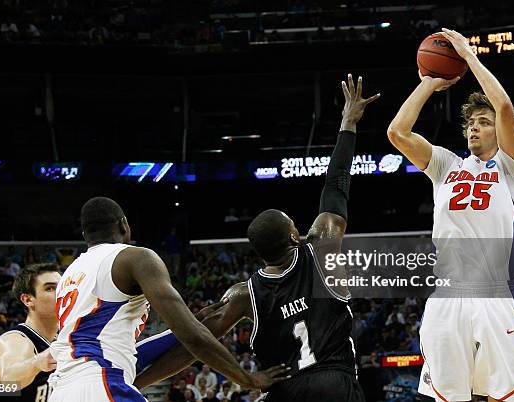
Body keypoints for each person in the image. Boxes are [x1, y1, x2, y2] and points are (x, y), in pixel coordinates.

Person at [134, 74, 379, 402]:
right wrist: (348, 123)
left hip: (286, 390)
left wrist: (141, 381)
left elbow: (195, 343)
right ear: (295, 236)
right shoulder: (322, 247)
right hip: (336, 384)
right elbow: (336, 185)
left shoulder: (243, 295)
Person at [387, 28, 514, 402]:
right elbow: (398, 133)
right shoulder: (446, 166)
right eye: (470, 123)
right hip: (447, 296)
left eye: (482, 123)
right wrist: (429, 83)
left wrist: (469, 57)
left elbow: (503, 108)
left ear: (498, 132)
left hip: (497, 297)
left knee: (505, 397)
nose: (474, 127)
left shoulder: (511, 168)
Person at [48, 197, 288, 402]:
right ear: (124, 225)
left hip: (61, 390)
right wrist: (248, 379)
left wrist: (185, 326)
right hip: (100, 383)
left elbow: (119, 349)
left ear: (84, 234)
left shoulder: (70, 274)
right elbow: (192, 336)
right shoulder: (135, 258)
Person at [0, 263, 61, 402]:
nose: (61, 292)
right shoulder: (16, 340)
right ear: (28, 299)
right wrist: (36, 362)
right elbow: (9, 378)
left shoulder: (60, 339)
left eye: (62, 286)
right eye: (50, 288)